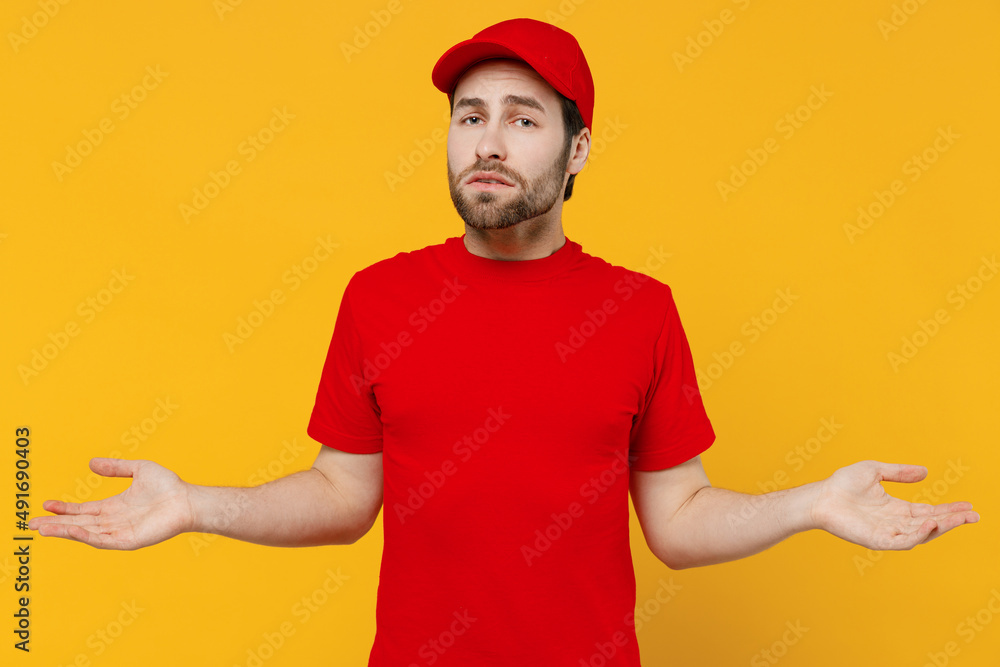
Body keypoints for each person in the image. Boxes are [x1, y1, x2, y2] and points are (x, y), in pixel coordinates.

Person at [29, 17, 979, 667]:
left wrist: (813, 501)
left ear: (577, 150)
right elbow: (340, 497)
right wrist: (194, 503)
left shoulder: (640, 310)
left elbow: (680, 521)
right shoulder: (380, 296)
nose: (488, 141)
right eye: (469, 116)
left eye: (523, 119)